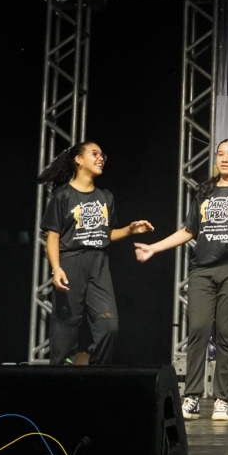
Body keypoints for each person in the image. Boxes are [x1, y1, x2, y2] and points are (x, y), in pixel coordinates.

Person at [136, 139, 228, 422]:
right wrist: (153, 248)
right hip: (202, 270)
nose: (224, 159)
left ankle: (221, 399)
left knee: (227, 334)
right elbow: (188, 230)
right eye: (220, 154)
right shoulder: (204, 191)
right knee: (198, 329)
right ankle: (193, 396)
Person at [38, 141, 154, 366]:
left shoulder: (105, 197)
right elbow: (52, 237)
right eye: (94, 154)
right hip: (71, 262)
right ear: (78, 160)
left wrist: (130, 230)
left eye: (102, 155)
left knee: (109, 326)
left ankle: (95, 374)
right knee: (65, 328)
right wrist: (56, 268)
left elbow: (106, 234)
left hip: (99, 263)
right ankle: (61, 378)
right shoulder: (63, 195)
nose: (101, 158)